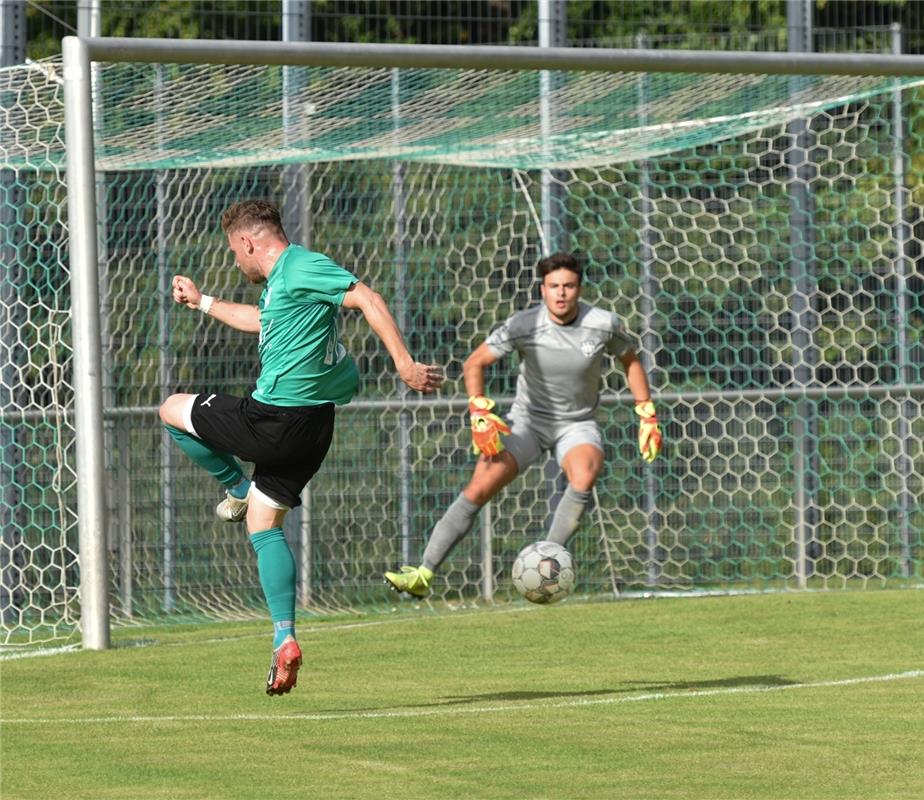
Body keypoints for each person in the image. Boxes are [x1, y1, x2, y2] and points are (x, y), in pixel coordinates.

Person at [160, 199, 442, 695]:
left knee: (171, 410)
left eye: (233, 251)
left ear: (248, 242)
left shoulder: (300, 266)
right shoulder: (284, 287)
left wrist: (403, 363)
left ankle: (236, 486)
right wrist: (202, 302)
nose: (235, 261)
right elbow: (259, 319)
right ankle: (284, 637)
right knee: (263, 525)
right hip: (313, 429)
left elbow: (368, 299)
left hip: (274, 418)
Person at [384, 252, 662, 598]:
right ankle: (424, 573)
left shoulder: (603, 323)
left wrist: (646, 412)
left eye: (569, 286)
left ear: (580, 288)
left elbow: (631, 361)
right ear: (543, 289)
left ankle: (547, 563)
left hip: (576, 423)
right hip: (528, 421)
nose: (561, 293)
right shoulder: (524, 324)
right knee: (481, 485)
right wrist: (479, 412)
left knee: (585, 472)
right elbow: (475, 363)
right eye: (554, 286)